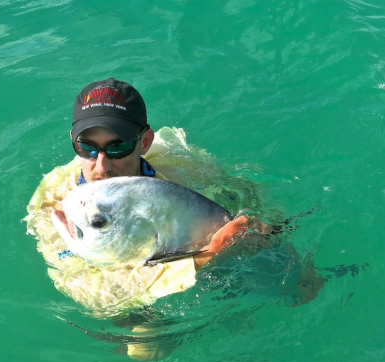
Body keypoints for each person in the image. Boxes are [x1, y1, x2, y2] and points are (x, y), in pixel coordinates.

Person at [51, 77, 257, 270]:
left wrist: (255, 224)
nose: (101, 167)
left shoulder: (181, 164)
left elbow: (247, 191)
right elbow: (95, 295)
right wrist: (209, 255)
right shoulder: (53, 200)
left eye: (118, 148)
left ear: (146, 142)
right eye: (87, 148)